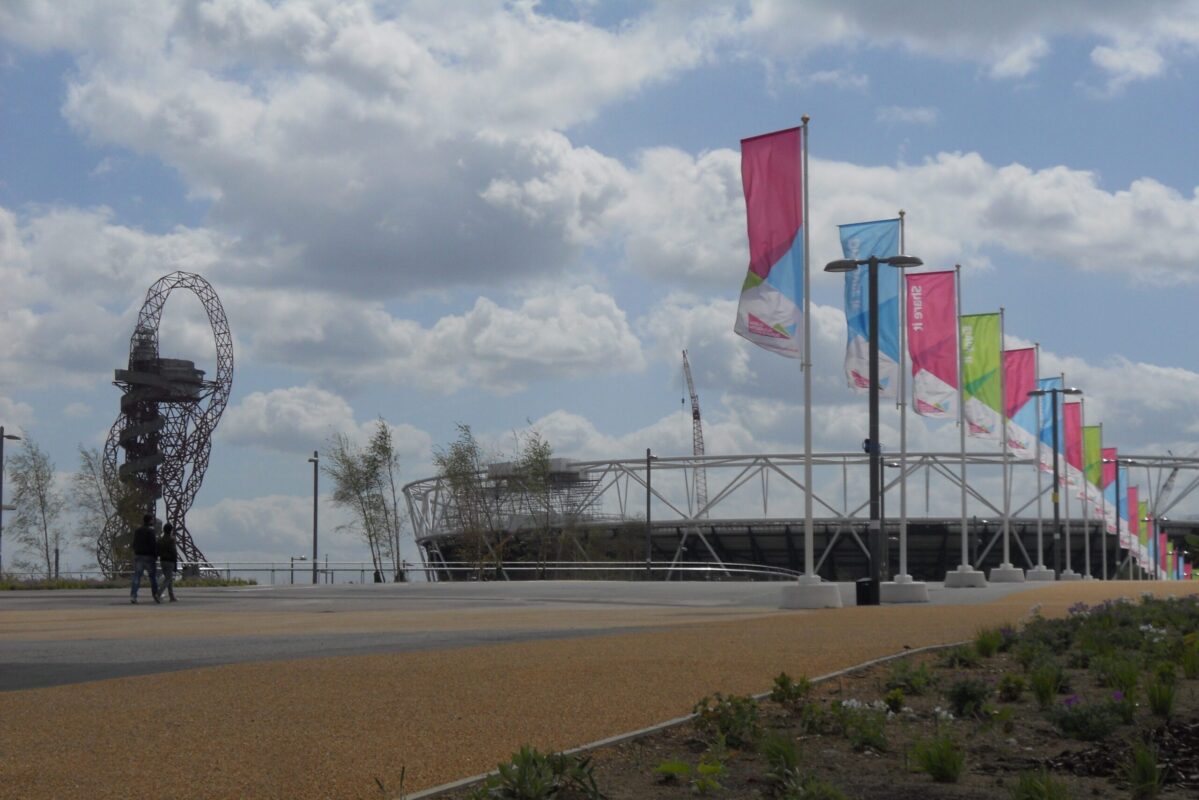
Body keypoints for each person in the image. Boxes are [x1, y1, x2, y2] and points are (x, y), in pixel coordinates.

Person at [130, 513, 161, 604]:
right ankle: (155, 595)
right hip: (149, 556)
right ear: (150, 520)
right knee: (153, 577)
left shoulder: (138, 530)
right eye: (152, 519)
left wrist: (136, 551)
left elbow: (134, 543)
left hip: (139, 556)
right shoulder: (151, 531)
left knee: (137, 577)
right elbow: (153, 544)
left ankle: (133, 595)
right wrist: (156, 555)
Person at [158, 523, 179, 602]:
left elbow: (158, 551)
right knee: (168, 579)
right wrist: (175, 564)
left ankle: (171, 596)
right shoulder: (172, 539)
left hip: (163, 561)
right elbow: (174, 552)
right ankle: (158, 593)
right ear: (171, 530)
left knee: (169, 579)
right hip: (170, 561)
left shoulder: (160, 540)